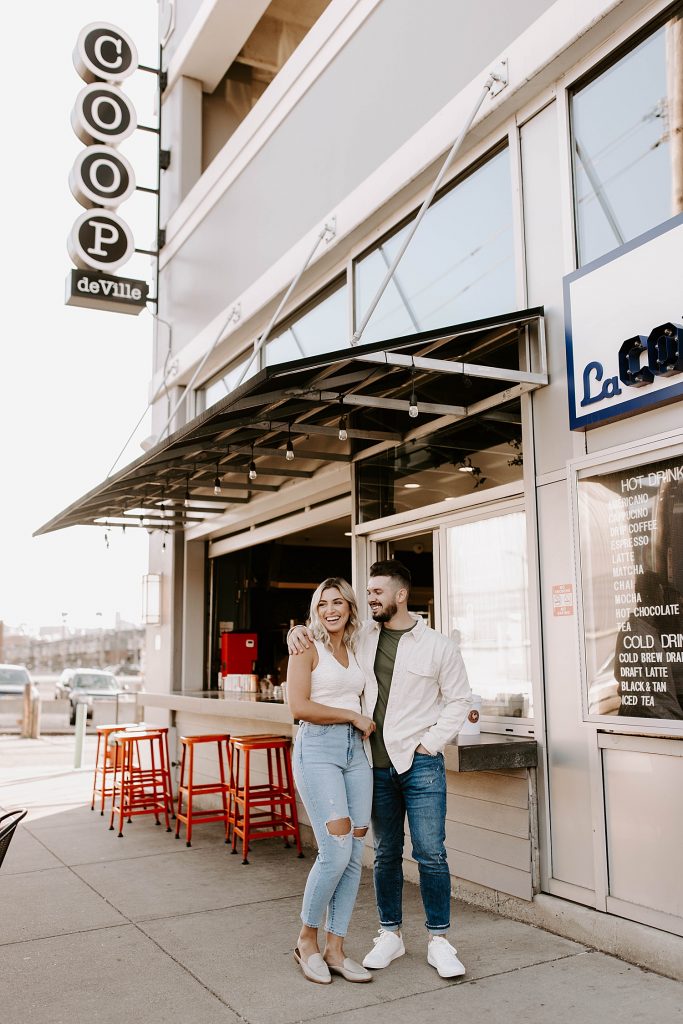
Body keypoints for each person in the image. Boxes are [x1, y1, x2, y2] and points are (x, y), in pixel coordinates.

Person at [288, 559, 472, 979]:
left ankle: (439, 941)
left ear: (401, 594)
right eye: (366, 593)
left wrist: (430, 744)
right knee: (384, 854)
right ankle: (388, 934)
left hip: (419, 762)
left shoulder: (438, 645)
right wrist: (297, 630)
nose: (368, 598)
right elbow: (319, 639)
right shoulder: (363, 638)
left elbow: (460, 700)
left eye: (376, 592)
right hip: (371, 763)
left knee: (430, 853)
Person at [286, 577, 376, 985]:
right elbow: (299, 706)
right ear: (315, 610)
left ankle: (335, 949)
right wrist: (351, 715)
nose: (330, 610)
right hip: (318, 749)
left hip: (355, 754)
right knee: (335, 852)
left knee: (355, 851)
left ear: (350, 608)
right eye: (323, 604)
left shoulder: (356, 646)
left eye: (338, 602)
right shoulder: (306, 646)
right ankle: (306, 939)